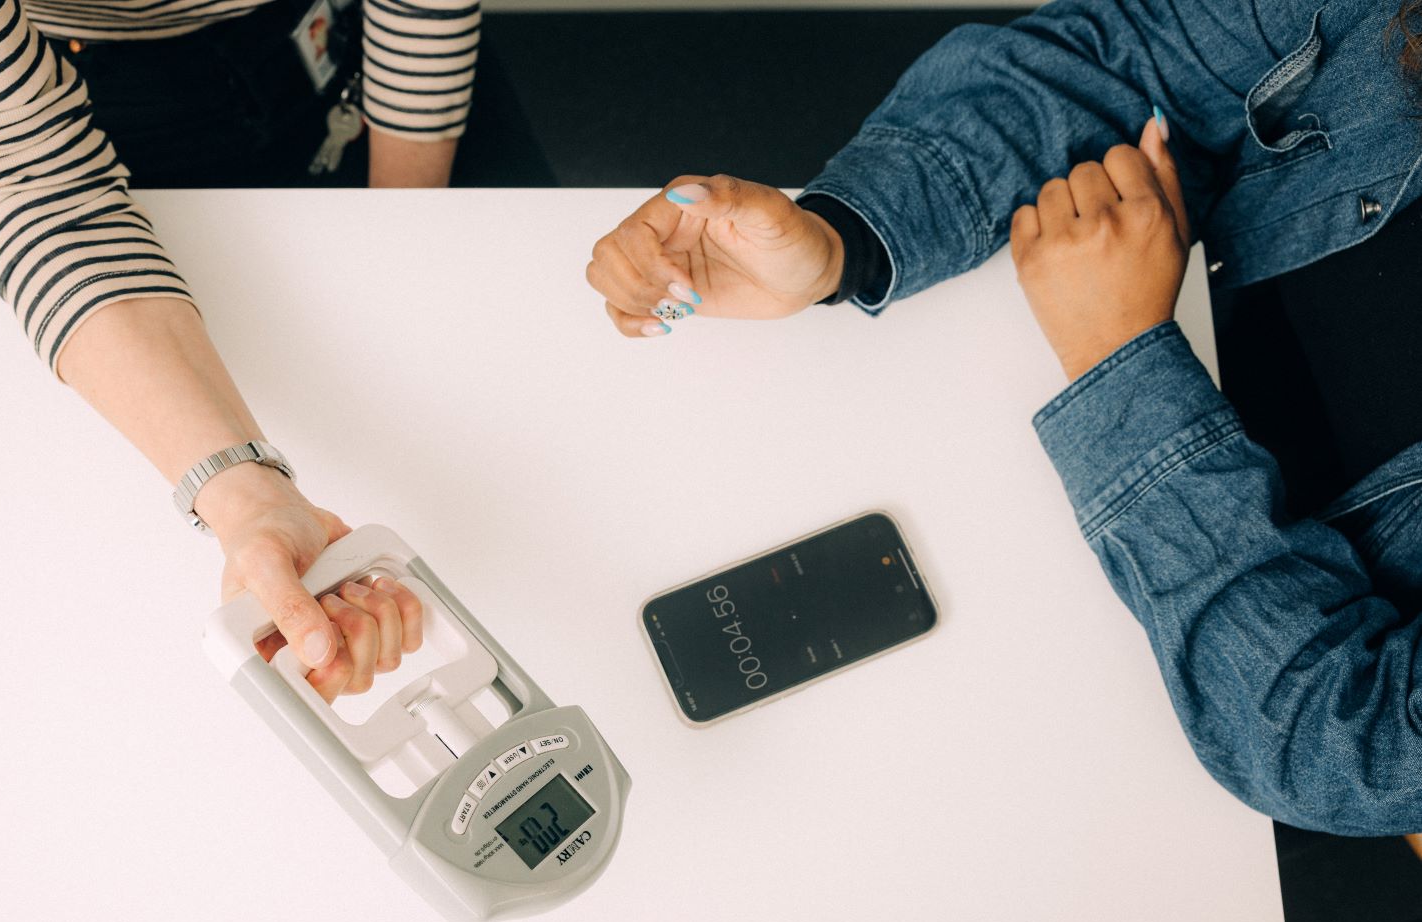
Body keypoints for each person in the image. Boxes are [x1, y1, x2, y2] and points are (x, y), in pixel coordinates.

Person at [586, 0, 1422, 836]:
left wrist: (1116, 352)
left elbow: (1342, 743)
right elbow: (1139, 48)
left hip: (1151, 739)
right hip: (1050, 409)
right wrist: (845, 241)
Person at [0, 0, 540, 701]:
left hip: (357, 38)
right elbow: (33, 170)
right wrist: (247, 500)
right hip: (90, 88)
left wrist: (406, 240)